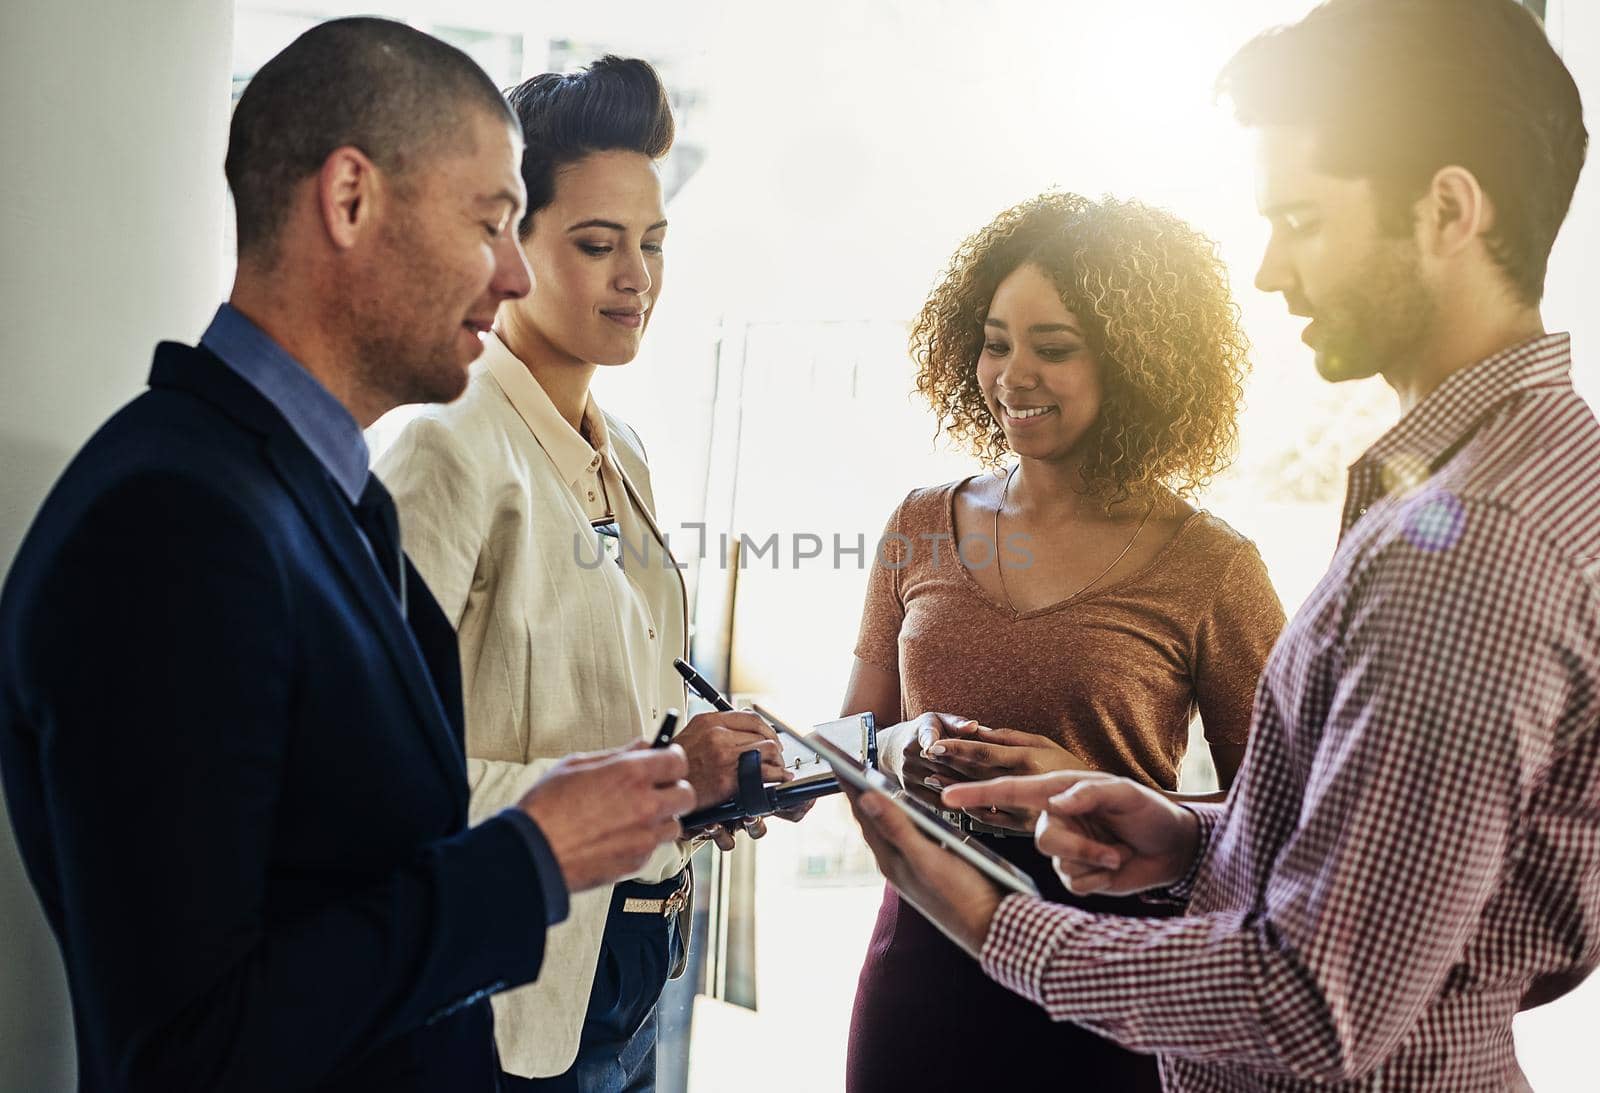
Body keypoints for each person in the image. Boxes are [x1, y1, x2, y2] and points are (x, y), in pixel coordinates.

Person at [846, 1, 1598, 1088]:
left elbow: (1311, 1004)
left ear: (1446, 210)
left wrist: (991, 922)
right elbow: (1420, 892)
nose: (1268, 271)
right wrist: (1199, 845)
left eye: (1299, 219)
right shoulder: (1496, 483)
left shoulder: (1469, 547)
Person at [0, 20, 697, 1093]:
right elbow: (185, 1049)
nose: (514, 275)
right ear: (350, 199)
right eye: (491, 223)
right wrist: (529, 857)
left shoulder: (320, 494)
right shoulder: (171, 522)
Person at [374, 56, 789, 1091]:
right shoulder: (442, 449)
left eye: (652, 244)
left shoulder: (625, 449)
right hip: (505, 992)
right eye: (598, 244)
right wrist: (663, 780)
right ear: (505, 245)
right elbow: (377, 785)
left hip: (636, 964)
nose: (636, 276)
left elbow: (618, 725)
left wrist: (702, 785)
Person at [842, 193, 1285, 1091]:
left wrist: (1093, 785)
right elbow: (851, 738)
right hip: (918, 975)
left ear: (1135, 361)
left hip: (1106, 987)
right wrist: (897, 749)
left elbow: (1283, 821)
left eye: (1054, 347)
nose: (1012, 374)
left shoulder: (1212, 567)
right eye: (997, 340)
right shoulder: (921, 524)